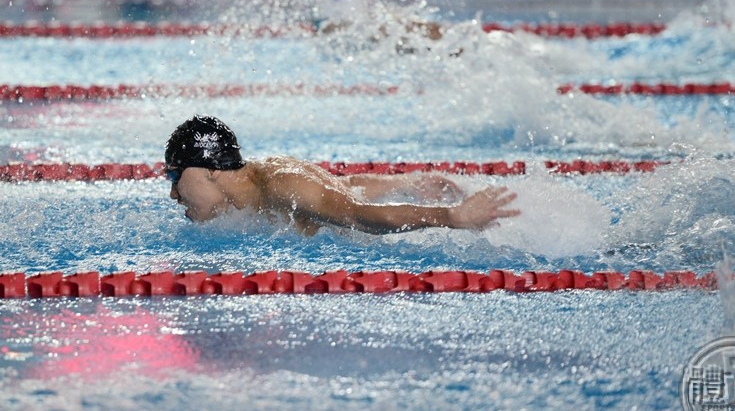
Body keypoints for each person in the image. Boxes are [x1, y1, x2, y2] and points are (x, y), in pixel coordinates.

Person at [164, 115, 520, 235]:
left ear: (207, 171)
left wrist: (454, 217)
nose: (174, 195)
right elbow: (342, 189)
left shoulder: (282, 184)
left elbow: (359, 215)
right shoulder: (257, 189)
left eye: (175, 177)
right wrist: (403, 182)